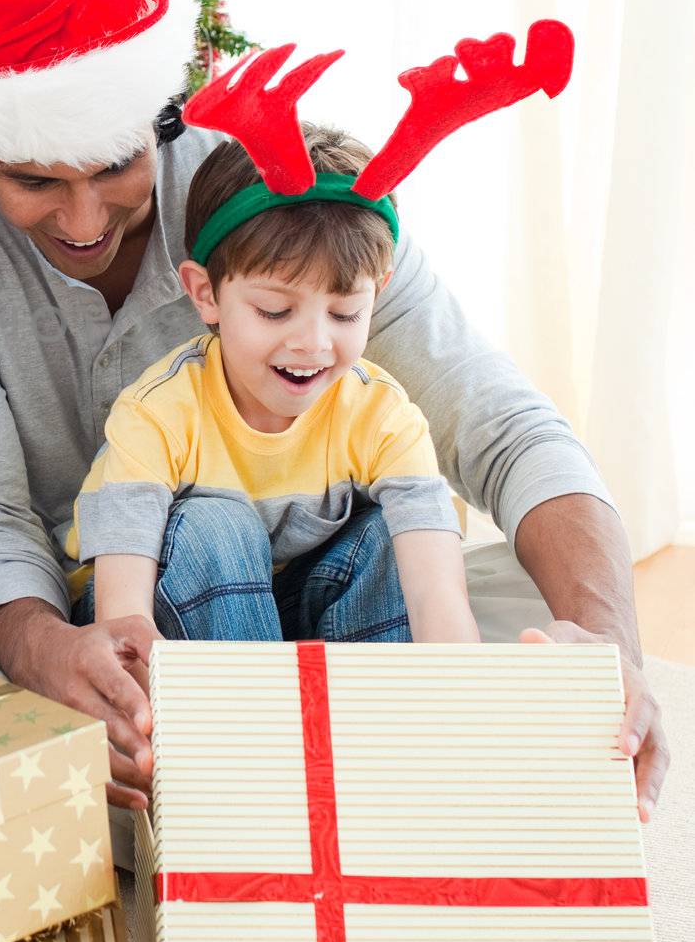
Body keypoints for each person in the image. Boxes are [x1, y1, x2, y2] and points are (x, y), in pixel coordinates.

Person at [0, 0, 667, 827]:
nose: (84, 219)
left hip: (327, 595)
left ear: (161, 121)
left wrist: (607, 646)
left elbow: (501, 426)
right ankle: (208, 797)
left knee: (512, 621)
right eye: (34, 180)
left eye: (117, 167)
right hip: (106, 621)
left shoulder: (278, 184)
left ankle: (272, 804)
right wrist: (52, 659)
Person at [70, 117, 480, 647]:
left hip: (285, 601)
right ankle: (250, 716)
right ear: (205, 294)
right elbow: (122, 615)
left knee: (389, 535)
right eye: (274, 310)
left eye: (346, 313)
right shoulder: (158, 411)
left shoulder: (381, 415)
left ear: (377, 293)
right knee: (218, 524)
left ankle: (384, 714)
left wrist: (464, 676)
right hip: (142, 607)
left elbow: (437, 594)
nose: (313, 343)